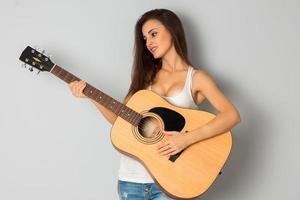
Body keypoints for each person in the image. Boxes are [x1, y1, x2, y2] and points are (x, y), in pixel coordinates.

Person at [69, 8, 241, 200]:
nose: (148, 43)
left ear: (173, 30)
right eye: (145, 39)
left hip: (172, 181)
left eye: (153, 34)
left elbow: (231, 115)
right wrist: (90, 96)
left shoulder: (196, 79)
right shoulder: (144, 79)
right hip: (130, 181)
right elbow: (121, 121)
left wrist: (186, 139)